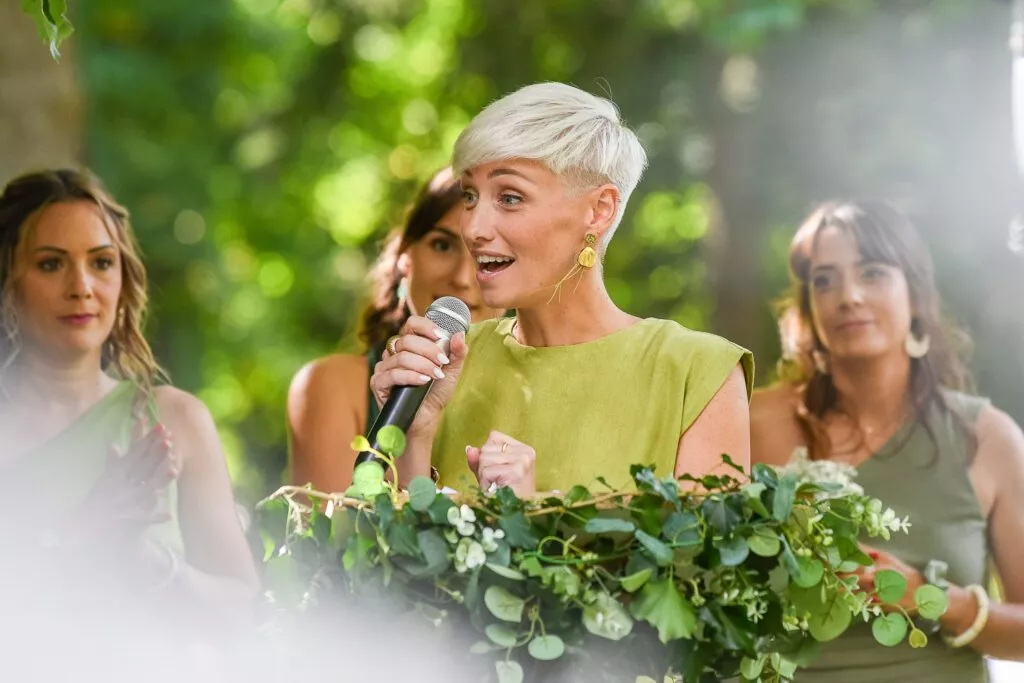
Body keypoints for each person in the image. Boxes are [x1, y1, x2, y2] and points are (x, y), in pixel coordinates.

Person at [370, 82, 753, 495]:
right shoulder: (444, 366)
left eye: (510, 198)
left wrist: (529, 514)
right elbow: (387, 558)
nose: (474, 229)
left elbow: (700, 560)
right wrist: (415, 437)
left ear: (598, 210)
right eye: (469, 196)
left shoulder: (698, 373)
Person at [751, 200, 1024, 681]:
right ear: (810, 310)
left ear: (916, 296)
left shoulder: (988, 438)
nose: (848, 296)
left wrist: (930, 597)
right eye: (824, 280)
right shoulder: (756, 422)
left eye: (873, 273)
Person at [0, 169, 259, 676]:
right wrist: (79, 537)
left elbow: (241, 615)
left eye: (101, 263)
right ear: (8, 284)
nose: (82, 287)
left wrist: (145, 562)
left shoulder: (175, 420)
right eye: (51, 264)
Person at [287, 168, 502, 493]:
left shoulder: (535, 391)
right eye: (442, 245)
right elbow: (327, 537)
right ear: (406, 256)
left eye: (483, 255)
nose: (461, 277)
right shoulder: (332, 384)